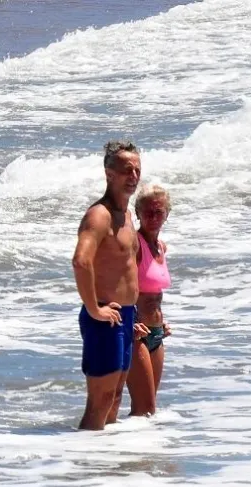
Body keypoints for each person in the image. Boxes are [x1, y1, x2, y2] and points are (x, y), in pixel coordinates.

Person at [72, 140, 148, 431]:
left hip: (125, 316)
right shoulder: (99, 215)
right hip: (105, 316)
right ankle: (79, 453)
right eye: (127, 170)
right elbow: (81, 261)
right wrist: (94, 309)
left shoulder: (126, 216)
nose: (134, 176)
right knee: (100, 400)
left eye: (137, 170)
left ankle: (103, 458)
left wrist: (134, 315)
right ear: (109, 174)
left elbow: (125, 270)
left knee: (115, 398)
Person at [127, 185, 172, 416]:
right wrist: (131, 322)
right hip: (137, 334)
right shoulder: (134, 245)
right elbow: (120, 286)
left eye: (158, 212)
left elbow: (154, 292)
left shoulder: (161, 247)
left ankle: (135, 442)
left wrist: (161, 322)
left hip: (156, 333)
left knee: (148, 411)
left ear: (167, 214)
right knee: (144, 408)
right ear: (138, 213)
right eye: (147, 212)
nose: (153, 218)